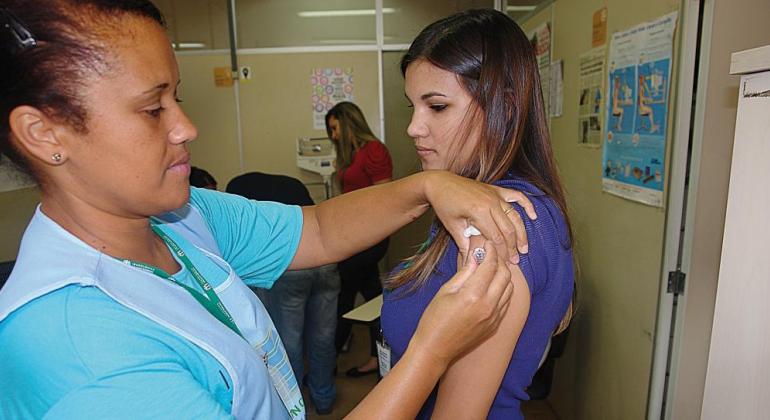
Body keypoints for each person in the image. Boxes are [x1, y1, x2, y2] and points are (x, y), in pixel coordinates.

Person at [0, 2, 536, 419]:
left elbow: (319, 230)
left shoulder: (179, 218)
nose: (186, 127)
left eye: (178, 98)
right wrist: (431, 351)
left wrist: (428, 185)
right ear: (45, 133)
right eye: (151, 108)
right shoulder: (83, 351)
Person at [380, 9, 576, 420]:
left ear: (501, 106)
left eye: (436, 106)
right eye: (412, 106)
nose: (414, 128)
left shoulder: (495, 226)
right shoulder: (474, 201)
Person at [226, 172, 339, 415]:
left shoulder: (236, 192)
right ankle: (324, 398)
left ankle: (292, 406)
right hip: (326, 263)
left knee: (289, 343)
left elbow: (243, 241)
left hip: (290, 266)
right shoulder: (292, 184)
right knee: (323, 336)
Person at [324, 101, 390, 378]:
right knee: (373, 296)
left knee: (344, 295)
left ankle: (327, 364)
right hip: (354, 236)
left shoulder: (374, 150)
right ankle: (378, 359)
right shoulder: (350, 154)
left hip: (370, 237)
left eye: (335, 128)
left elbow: (384, 197)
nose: (333, 136)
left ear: (348, 122)